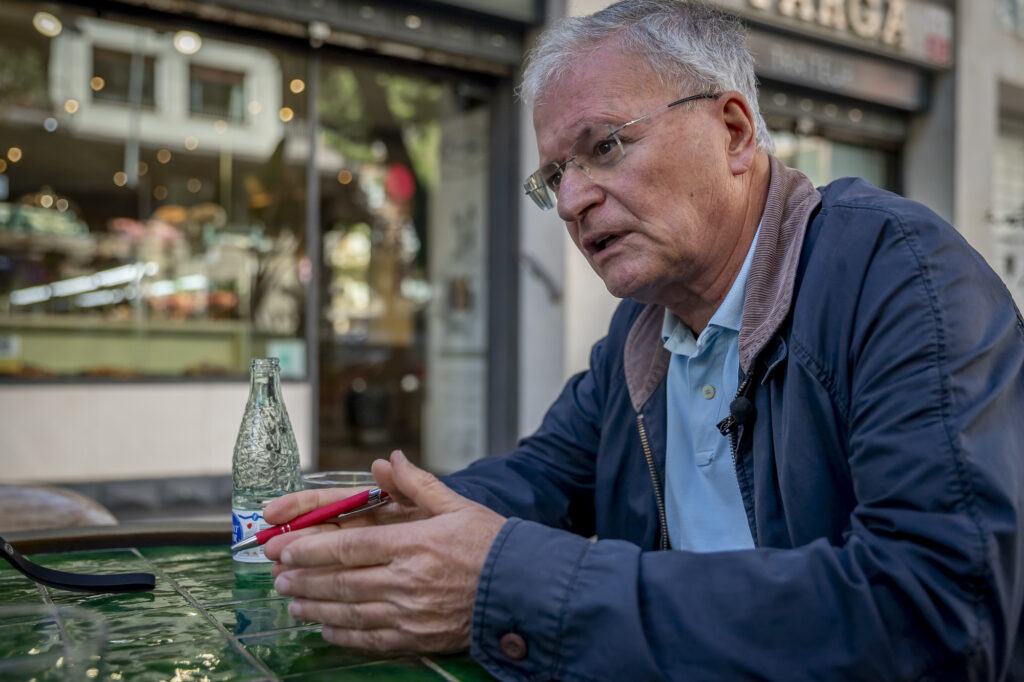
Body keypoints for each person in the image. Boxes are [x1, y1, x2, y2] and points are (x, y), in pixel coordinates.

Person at [264, 1, 1024, 679]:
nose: (571, 200)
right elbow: (545, 479)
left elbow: (940, 616)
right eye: (554, 173)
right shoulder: (643, 328)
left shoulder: (896, 275)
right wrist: (402, 521)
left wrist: (510, 582)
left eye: (605, 147)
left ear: (732, 130)